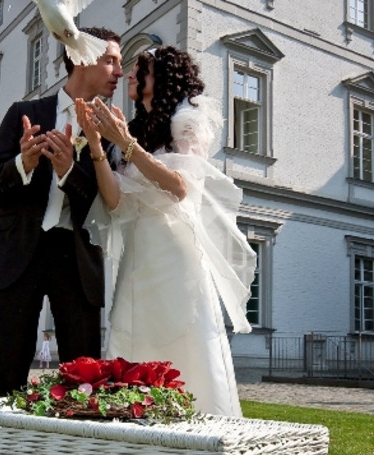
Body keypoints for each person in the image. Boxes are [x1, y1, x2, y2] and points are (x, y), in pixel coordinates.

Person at [74, 46, 257, 417]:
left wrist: (127, 144)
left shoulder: (186, 119)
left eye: (139, 70)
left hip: (176, 254)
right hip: (139, 254)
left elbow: (180, 187)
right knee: (135, 338)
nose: (128, 75)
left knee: (184, 340)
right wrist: (96, 143)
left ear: (161, 76)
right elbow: (114, 202)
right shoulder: (135, 129)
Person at [0, 27, 124, 397]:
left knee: (85, 384)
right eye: (110, 61)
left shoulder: (111, 132)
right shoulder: (25, 114)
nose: (119, 72)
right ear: (80, 58)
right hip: (17, 256)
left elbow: (107, 203)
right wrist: (22, 163)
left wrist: (68, 172)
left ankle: (79, 454)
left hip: (76, 261)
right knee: (6, 380)